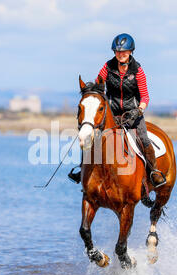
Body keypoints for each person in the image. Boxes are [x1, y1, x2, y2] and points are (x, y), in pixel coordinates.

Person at [69, 33, 165, 187]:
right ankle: (83, 169)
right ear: (114, 52)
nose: (121, 54)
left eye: (124, 52)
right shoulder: (107, 67)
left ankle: (153, 172)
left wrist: (139, 109)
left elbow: (145, 96)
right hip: (112, 112)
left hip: (132, 113)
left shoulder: (138, 71)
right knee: (91, 136)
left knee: (144, 138)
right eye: (118, 52)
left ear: (131, 52)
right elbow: (98, 86)